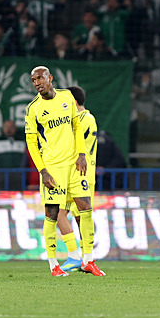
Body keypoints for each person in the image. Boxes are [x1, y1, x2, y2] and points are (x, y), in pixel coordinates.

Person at [25, 66, 103, 277]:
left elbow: (77, 127)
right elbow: (31, 142)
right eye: (33, 80)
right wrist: (43, 171)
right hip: (53, 168)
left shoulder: (67, 97)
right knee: (52, 215)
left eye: (40, 78)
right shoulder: (33, 109)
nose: (37, 83)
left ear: (50, 78)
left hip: (75, 167)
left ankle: (88, 260)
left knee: (86, 209)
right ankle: (54, 265)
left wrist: (81, 154)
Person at [59, 86, 97, 273]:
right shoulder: (82, 118)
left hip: (81, 174)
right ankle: (80, 258)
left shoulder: (84, 118)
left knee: (73, 216)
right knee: (69, 216)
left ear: (73, 102)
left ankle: (80, 257)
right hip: (73, 173)